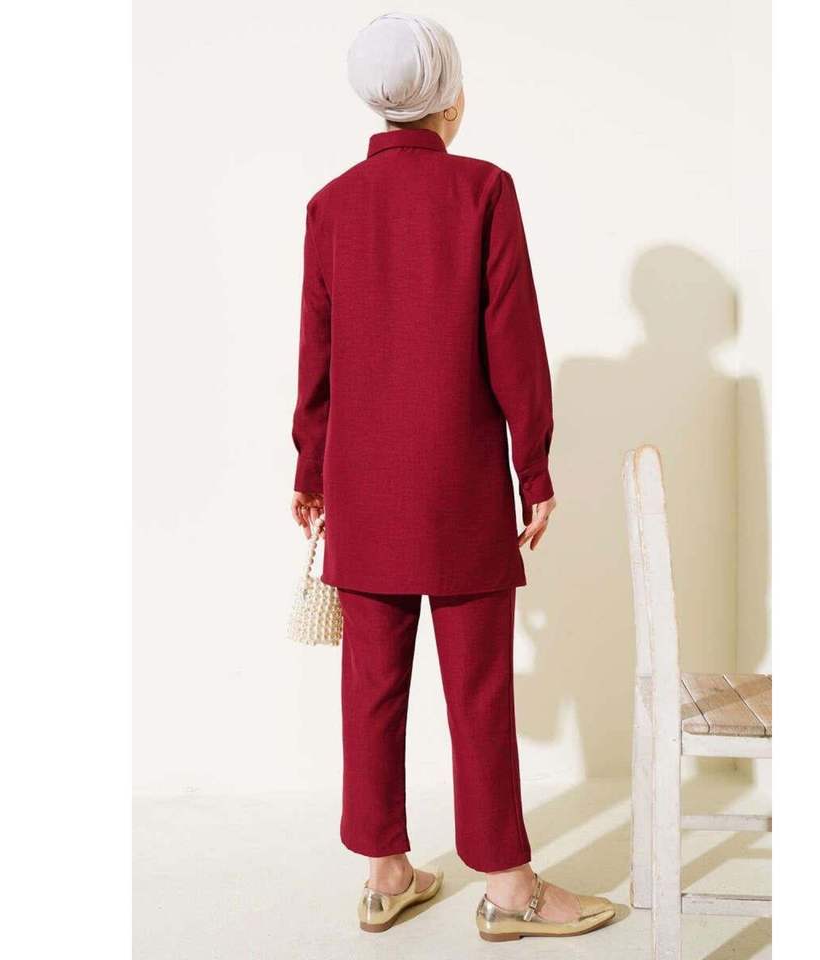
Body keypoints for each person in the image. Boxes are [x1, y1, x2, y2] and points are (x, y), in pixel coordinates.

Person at [291, 12, 615, 942]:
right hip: (462, 488)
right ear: (452, 101)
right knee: (478, 690)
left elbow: (317, 353)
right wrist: (534, 467)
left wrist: (310, 467)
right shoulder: (484, 190)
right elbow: (515, 341)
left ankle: (384, 874)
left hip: (363, 488)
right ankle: (509, 890)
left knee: (371, 686)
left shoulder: (330, 205)